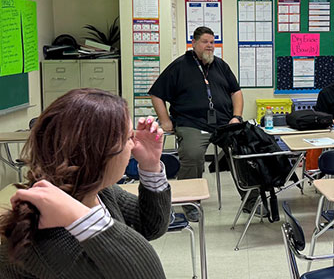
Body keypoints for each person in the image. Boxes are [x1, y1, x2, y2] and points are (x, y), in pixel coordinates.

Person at [0, 88, 170, 278]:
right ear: (100, 154)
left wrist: (150, 165)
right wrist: (85, 220)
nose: (133, 145)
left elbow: (151, 226)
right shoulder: (48, 239)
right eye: (129, 138)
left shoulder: (96, 191)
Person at [148, 26, 257, 219]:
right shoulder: (179, 66)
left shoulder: (220, 66)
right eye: (205, 42)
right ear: (194, 44)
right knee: (192, 153)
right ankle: (190, 204)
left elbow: (236, 92)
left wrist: (236, 117)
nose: (210, 46)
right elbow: (156, 93)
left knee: (242, 149)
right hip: (192, 123)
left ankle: (251, 200)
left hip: (224, 124)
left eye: (212, 42)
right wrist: (165, 120)